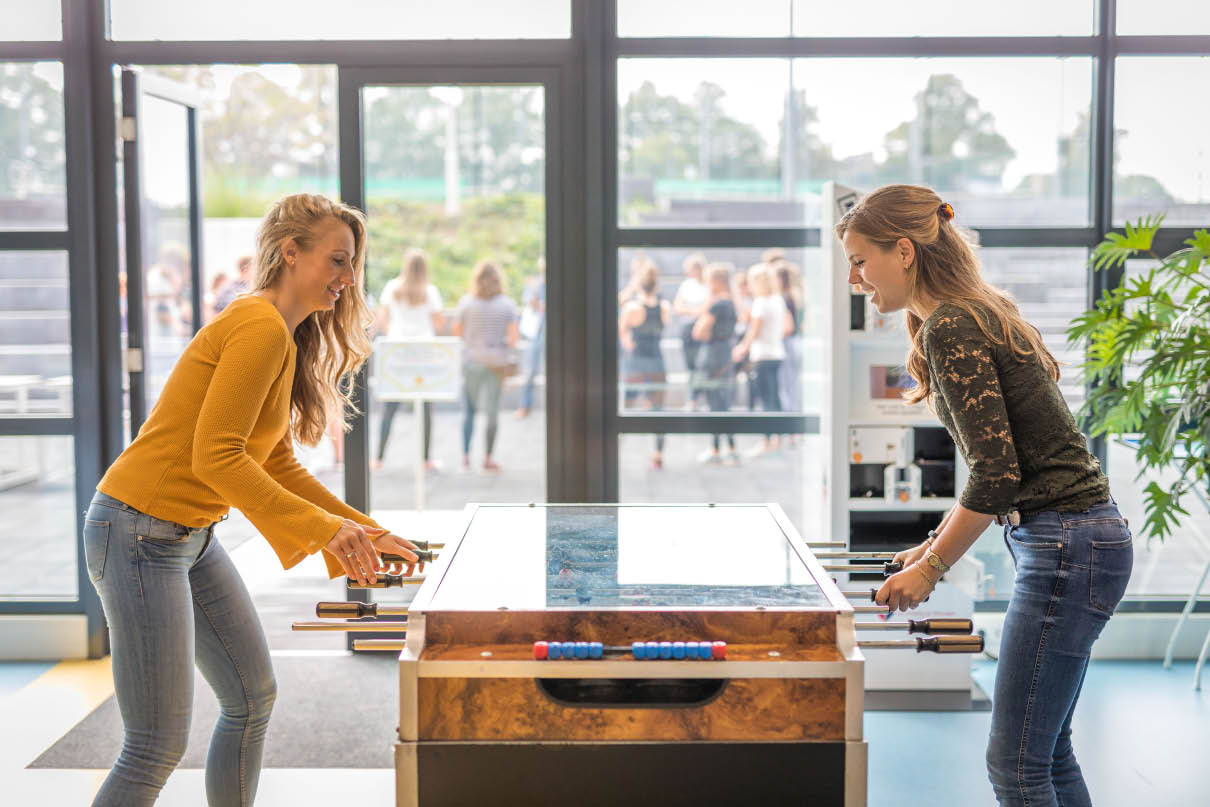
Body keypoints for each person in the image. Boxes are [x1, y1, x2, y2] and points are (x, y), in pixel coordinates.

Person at [82, 193, 424, 807]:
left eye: (352, 266)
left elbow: (274, 461)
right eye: (337, 261)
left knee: (250, 697)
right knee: (155, 744)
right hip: (137, 532)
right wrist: (326, 531)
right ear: (290, 252)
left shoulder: (281, 334)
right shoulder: (258, 326)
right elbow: (215, 456)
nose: (348, 279)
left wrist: (363, 530)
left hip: (187, 536)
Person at [839, 185, 1131, 807]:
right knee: (1046, 754)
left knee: (1016, 766)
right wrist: (926, 550)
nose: (855, 277)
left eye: (862, 260)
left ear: (904, 250)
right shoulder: (970, 310)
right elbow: (998, 468)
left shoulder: (951, 324)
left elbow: (997, 474)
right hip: (1082, 539)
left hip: (1066, 544)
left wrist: (934, 568)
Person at [373, 248, 445, 471]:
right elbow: (440, 322)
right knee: (425, 409)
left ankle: (379, 458)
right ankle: (425, 459)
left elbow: (382, 319)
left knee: (389, 409)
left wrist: (395, 333)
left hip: (397, 353)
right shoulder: (430, 292)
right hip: (423, 354)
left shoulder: (392, 288)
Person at [453, 260, 518, 472]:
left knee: (469, 412)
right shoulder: (507, 304)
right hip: (496, 365)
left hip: (471, 362)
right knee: (492, 413)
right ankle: (488, 457)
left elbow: (457, 331)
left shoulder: (466, 303)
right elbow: (513, 337)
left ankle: (465, 457)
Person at [731, 263, 786, 458]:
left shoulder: (761, 303)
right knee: (774, 397)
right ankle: (778, 439)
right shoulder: (778, 300)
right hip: (777, 353)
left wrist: (741, 348)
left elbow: (753, 330)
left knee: (766, 399)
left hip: (762, 355)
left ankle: (767, 440)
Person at [619, 260, 670, 469]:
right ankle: (658, 454)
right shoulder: (664, 306)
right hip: (657, 362)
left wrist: (628, 342)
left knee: (627, 407)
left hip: (636, 362)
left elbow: (623, 333)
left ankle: (617, 449)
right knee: (659, 409)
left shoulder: (631, 308)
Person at [691, 262, 739, 465]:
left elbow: (698, 331)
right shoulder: (732, 303)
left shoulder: (717, 304)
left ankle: (716, 449)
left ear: (718, 281)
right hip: (725, 354)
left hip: (712, 355)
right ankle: (730, 448)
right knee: (723, 402)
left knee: (714, 404)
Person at [673, 252, 709, 409]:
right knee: (691, 366)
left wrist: (693, 310)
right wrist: (696, 311)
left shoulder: (708, 285)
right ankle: (693, 399)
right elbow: (678, 307)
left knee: (702, 365)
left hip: (704, 330)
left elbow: (709, 308)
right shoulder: (686, 285)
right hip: (688, 329)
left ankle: (701, 397)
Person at [516, 255, 546, 419]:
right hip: (537, 330)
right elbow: (532, 304)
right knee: (530, 370)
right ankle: (524, 405)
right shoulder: (535, 284)